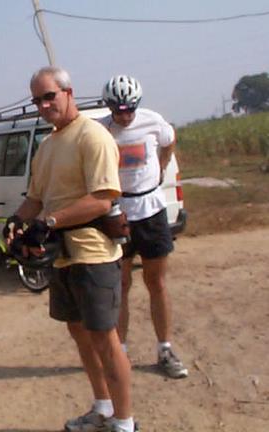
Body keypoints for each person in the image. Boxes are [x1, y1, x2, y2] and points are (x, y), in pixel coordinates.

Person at [6, 66, 135, 432]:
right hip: (62, 256)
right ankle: (102, 407)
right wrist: (16, 221)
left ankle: (124, 423)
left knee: (106, 340)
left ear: (68, 92)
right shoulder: (47, 146)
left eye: (50, 96)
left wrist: (47, 222)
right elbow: (35, 198)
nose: (44, 105)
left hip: (94, 254)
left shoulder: (92, 136)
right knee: (79, 334)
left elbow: (103, 198)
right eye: (38, 99)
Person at [99, 75, 188, 379]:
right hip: (118, 214)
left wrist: (162, 166)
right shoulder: (101, 129)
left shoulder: (152, 121)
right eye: (118, 111)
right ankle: (119, 352)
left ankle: (165, 349)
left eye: (129, 110)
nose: (124, 117)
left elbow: (169, 139)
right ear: (109, 107)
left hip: (151, 211)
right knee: (120, 286)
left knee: (157, 283)